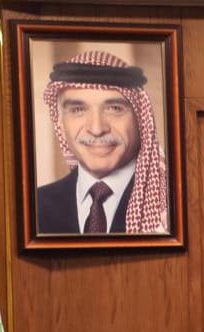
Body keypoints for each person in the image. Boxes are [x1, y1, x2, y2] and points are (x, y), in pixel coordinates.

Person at [36, 51, 169, 235]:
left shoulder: (170, 205)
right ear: (60, 123)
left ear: (140, 119)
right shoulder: (35, 206)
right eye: (78, 110)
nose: (97, 129)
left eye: (114, 108)